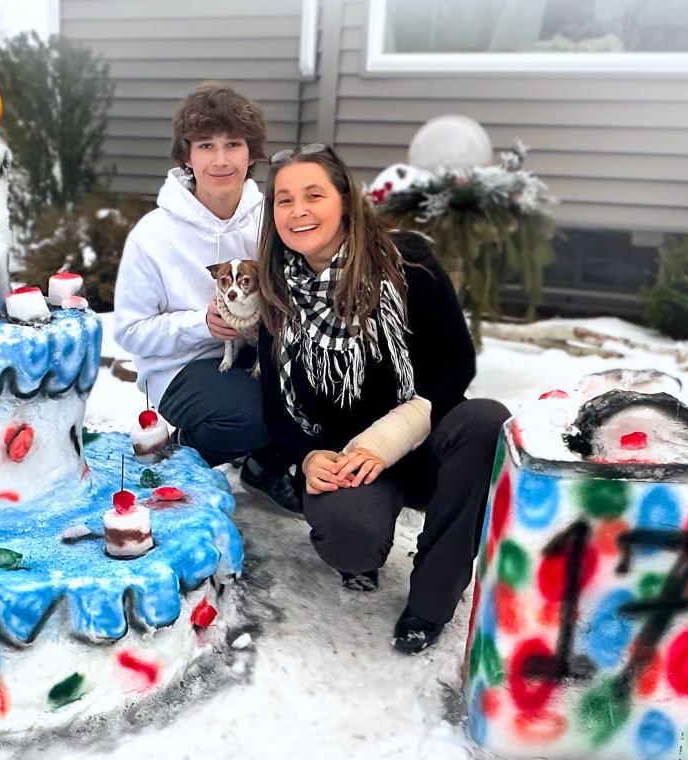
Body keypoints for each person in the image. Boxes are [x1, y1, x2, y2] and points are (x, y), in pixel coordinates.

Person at [255, 143, 511, 654]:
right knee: (349, 540)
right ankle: (361, 556)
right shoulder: (277, 290)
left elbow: (454, 365)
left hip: (419, 439)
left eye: (313, 195)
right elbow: (275, 404)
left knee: (486, 420)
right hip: (346, 459)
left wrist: (387, 440)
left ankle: (432, 599)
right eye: (284, 200)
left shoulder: (407, 265)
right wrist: (307, 458)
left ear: (345, 202)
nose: (298, 210)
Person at [114, 83, 300, 512]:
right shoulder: (153, 234)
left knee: (308, 392)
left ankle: (265, 466)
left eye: (233, 144)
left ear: (250, 153)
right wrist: (201, 324)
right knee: (250, 417)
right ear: (187, 156)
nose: (220, 159)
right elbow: (130, 331)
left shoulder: (273, 221)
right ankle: (180, 452)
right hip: (181, 366)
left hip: (261, 354)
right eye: (205, 145)